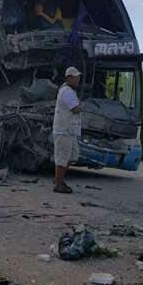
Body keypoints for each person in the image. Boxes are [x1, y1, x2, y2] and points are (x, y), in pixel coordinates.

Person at [52, 66, 82, 194]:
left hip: (69, 131)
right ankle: (58, 185)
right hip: (64, 131)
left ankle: (59, 180)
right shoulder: (67, 92)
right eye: (76, 77)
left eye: (78, 76)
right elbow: (75, 109)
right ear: (69, 78)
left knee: (72, 156)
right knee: (63, 158)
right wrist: (82, 106)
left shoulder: (69, 90)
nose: (78, 79)